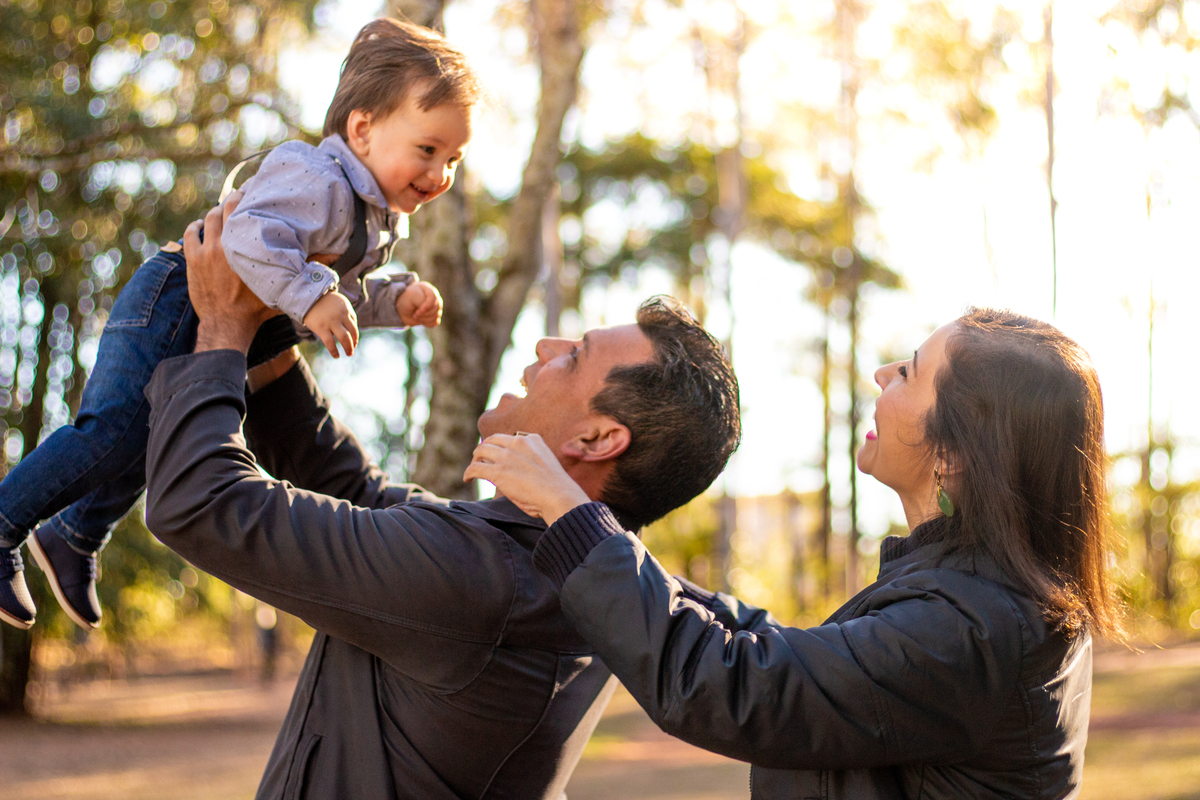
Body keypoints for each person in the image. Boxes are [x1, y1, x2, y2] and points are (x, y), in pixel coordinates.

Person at [137, 201, 741, 798]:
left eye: (575, 356)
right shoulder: (564, 572)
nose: (545, 347)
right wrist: (268, 326)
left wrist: (222, 326)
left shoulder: (485, 576)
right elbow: (356, 492)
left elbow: (200, 503)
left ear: (598, 438)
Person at [467, 309, 1123, 799]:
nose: (881, 374)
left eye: (910, 373)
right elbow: (774, 649)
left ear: (953, 454)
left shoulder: (973, 629)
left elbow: (740, 687)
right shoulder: (971, 598)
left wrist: (576, 518)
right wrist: (604, 542)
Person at [0, 17, 470, 630]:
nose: (440, 174)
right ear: (363, 130)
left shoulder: (375, 215)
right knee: (113, 430)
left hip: (224, 319)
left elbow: (339, 291)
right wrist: (313, 294)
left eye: (454, 158)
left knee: (149, 437)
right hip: (176, 296)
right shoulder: (320, 179)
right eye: (428, 150)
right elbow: (249, 237)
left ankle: (75, 535)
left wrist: (393, 301)